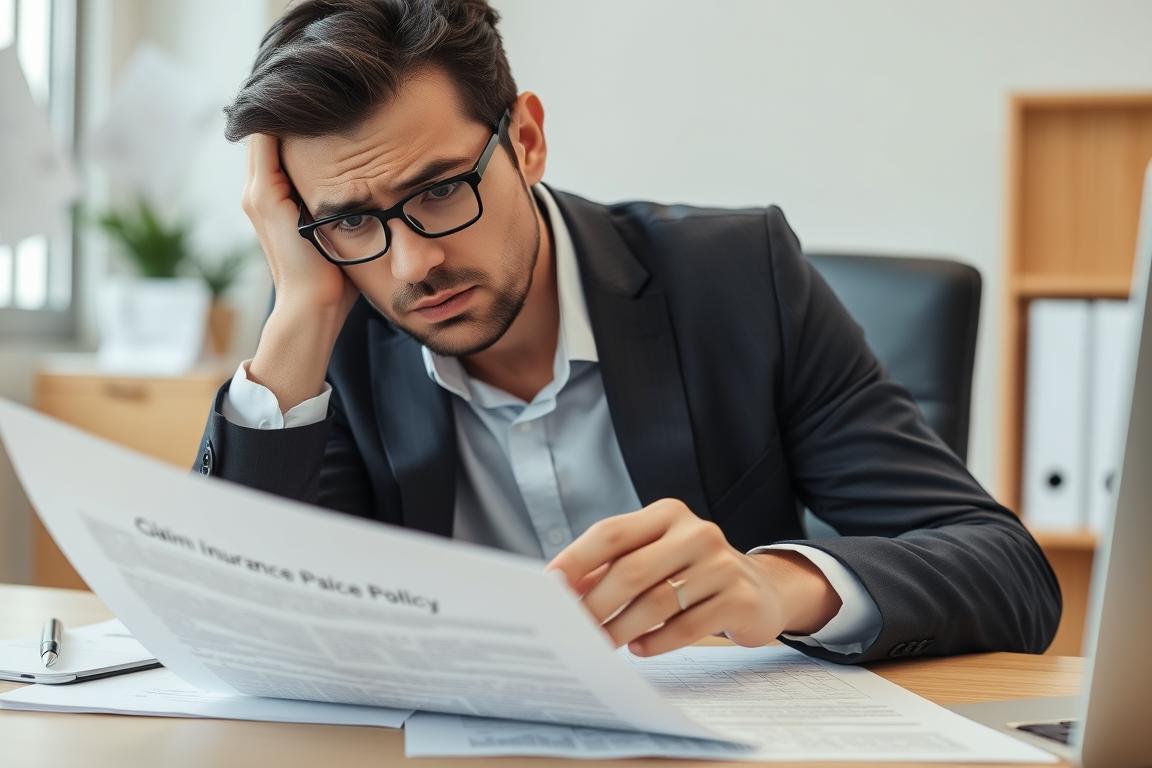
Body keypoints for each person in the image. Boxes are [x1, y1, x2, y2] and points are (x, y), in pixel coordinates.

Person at [197, 0, 1060, 664]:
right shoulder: (337, 334)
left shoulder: (735, 279)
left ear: (527, 140)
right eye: (350, 221)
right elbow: (232, 617)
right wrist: (301, 312)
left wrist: (777, 585)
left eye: (438, 191)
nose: (411, 265)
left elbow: (1007, 571)